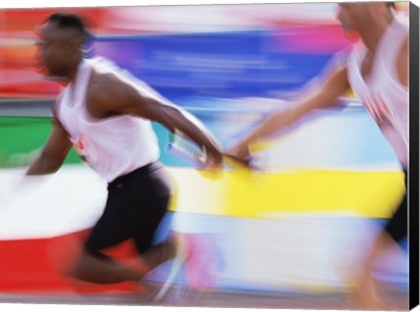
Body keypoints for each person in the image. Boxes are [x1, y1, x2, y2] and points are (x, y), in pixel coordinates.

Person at [227, 2, 408, 309]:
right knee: (359, 273)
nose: (337, 13)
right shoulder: (351, 67)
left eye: (346, 4)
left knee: (361, 270)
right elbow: (297, 108)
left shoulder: (407, 43)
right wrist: (244, 144)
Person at [27, 13, 224, 285]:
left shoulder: (103, 85)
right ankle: (169, 253)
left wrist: (211, 147)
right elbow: (50, 159)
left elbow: (164, 110)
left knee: (81, 264)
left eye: (45, 44)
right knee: (141, 279)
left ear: (70, 47)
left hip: (143, 187)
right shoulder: (63, 105)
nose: (38, 52)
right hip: (123, 191)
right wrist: (11, 181)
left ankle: (174, 250)